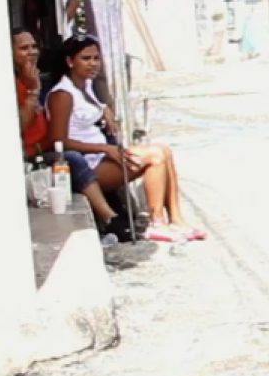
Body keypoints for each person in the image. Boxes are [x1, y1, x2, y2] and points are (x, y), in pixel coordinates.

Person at [47, 36, 201, 242]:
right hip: (88, 164)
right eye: (86, 58)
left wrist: (104, 110)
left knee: (163, 150)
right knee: (155, 156)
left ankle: (177, 219)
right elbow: (58, 140)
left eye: (96, 58)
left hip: (102, 155)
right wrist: (104, 148)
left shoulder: (86, 87)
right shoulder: (62, 94)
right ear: (70, 61)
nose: (93, 63)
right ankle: (157, 222)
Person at [15, 29, 121, 235]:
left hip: (48, 147)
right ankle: (110, 217)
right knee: (72, 158)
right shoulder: (16, 85)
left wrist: (104, 109)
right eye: (23, 48)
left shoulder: (40, 78)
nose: (31, 52)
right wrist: (32, 93)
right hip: (32, 154)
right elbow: (19, 126)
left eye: (34, 47)